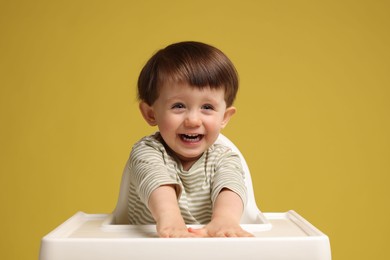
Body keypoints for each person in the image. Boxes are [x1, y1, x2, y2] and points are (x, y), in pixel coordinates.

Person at [127, 41, 252, 238]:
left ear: (224, 117)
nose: (193, 120)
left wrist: (225, 220)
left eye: (207, 107)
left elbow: (230, 186)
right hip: (151, 249)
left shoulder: (224, 158)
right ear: (151, 114)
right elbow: (155, 181)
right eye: (178, 106)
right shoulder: (147, 151)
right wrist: (169, 219)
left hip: (206, 249)